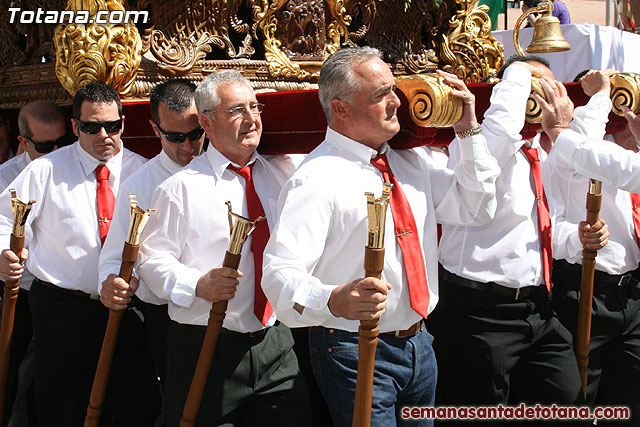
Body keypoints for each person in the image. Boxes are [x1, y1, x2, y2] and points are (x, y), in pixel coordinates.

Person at [262, 46, 500, 426]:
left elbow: (477, 208)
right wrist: (333, 298)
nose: (396, 102)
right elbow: (278, 276)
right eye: (380, 95)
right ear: (339, 108)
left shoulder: (410, 162)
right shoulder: (315, 179)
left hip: (420, 343)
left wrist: (467, 129)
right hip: (354, 349)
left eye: (393, 89)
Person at [137, 70, 311, 427]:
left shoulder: (282, 174)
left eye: (254, 107)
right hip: (206, 345)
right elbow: (152, 263)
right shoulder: (180, 188)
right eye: (236, 110)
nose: (251, 119)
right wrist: (197, 284)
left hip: (274, 341)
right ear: (207, 122)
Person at [431, 55, 585, 423]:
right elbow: (501, 128)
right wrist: (518, 72)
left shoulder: (546, 152)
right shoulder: (483, 146)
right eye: (538, 88)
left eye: (552, 87)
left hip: (537, 307)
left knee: (568, 402)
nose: (546, 95)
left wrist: (576, 238)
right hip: (479, 310)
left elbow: (543, 228)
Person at [0, 82, 155, 426]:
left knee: (134, 405)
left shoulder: (145, 172)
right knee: (62, 408)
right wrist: (2, 251)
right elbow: (3, 217)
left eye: (112, 125)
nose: (104, 135)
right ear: (75, 127)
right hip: (61, 311)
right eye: (91, 127)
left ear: (123, 123)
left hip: (128, 306)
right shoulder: (45, 171)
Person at [98, 78, 205, 423]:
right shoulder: (140, 185)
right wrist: (110, 280)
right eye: (175, 137)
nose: (188, 145)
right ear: (154, 129)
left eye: (195, 133)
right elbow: (116, 253)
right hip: (170, 322)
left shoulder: (228, 170)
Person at [539, 71, 640, 425]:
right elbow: (583, 147)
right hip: (587, 290)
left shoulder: (614, 157)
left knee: (630, 400)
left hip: (630, 295)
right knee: (583, 396)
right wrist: (600, 96)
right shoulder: (576, 156)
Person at [0, 100, 67, 427]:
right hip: (20, 294)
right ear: (23, 142)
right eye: (44, 146)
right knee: (12, 374)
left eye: (61, 143)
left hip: (60, 298)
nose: (55, 152)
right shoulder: (5, 179)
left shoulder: (74, 168)